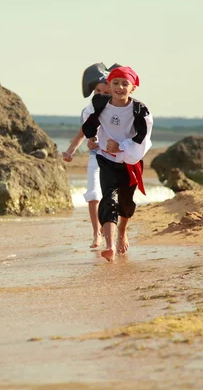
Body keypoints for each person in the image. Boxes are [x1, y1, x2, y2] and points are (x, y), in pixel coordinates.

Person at [81, 66, 153, 262]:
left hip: (130, 161)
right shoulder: (99, 103)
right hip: (105, 159)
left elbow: (142, 139)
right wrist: (92, 137)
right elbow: (89, 122)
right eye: (115, 83)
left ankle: (122, 230)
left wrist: (121, 147)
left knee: (126, 203)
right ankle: (110, 245)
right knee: (108, 199)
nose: (120, 87)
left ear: (133, 88)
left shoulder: (140, 110)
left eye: (125, 83)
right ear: (109, 86)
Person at [62, 63, 111, 249]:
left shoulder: (118, 109)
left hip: (115, 158)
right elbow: (82, 134)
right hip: (96, 157)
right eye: (97, 91)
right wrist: (70, 151)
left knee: (111, 197)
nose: (100, 95)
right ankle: (96, 233)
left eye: (105, 92)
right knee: (93, 195)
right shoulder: (88, 110)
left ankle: (113, 235)